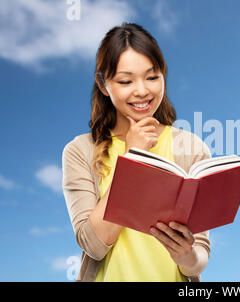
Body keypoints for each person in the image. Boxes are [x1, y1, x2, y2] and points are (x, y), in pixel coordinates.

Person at [62, 22, 211, 282]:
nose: (142, 90)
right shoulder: (80, 151)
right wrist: (132, 159)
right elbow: (94, 245)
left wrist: (186, 255)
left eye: (152, 77)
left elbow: (198, 261)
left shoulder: (190, 148)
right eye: (126, 81)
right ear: (103, 84)